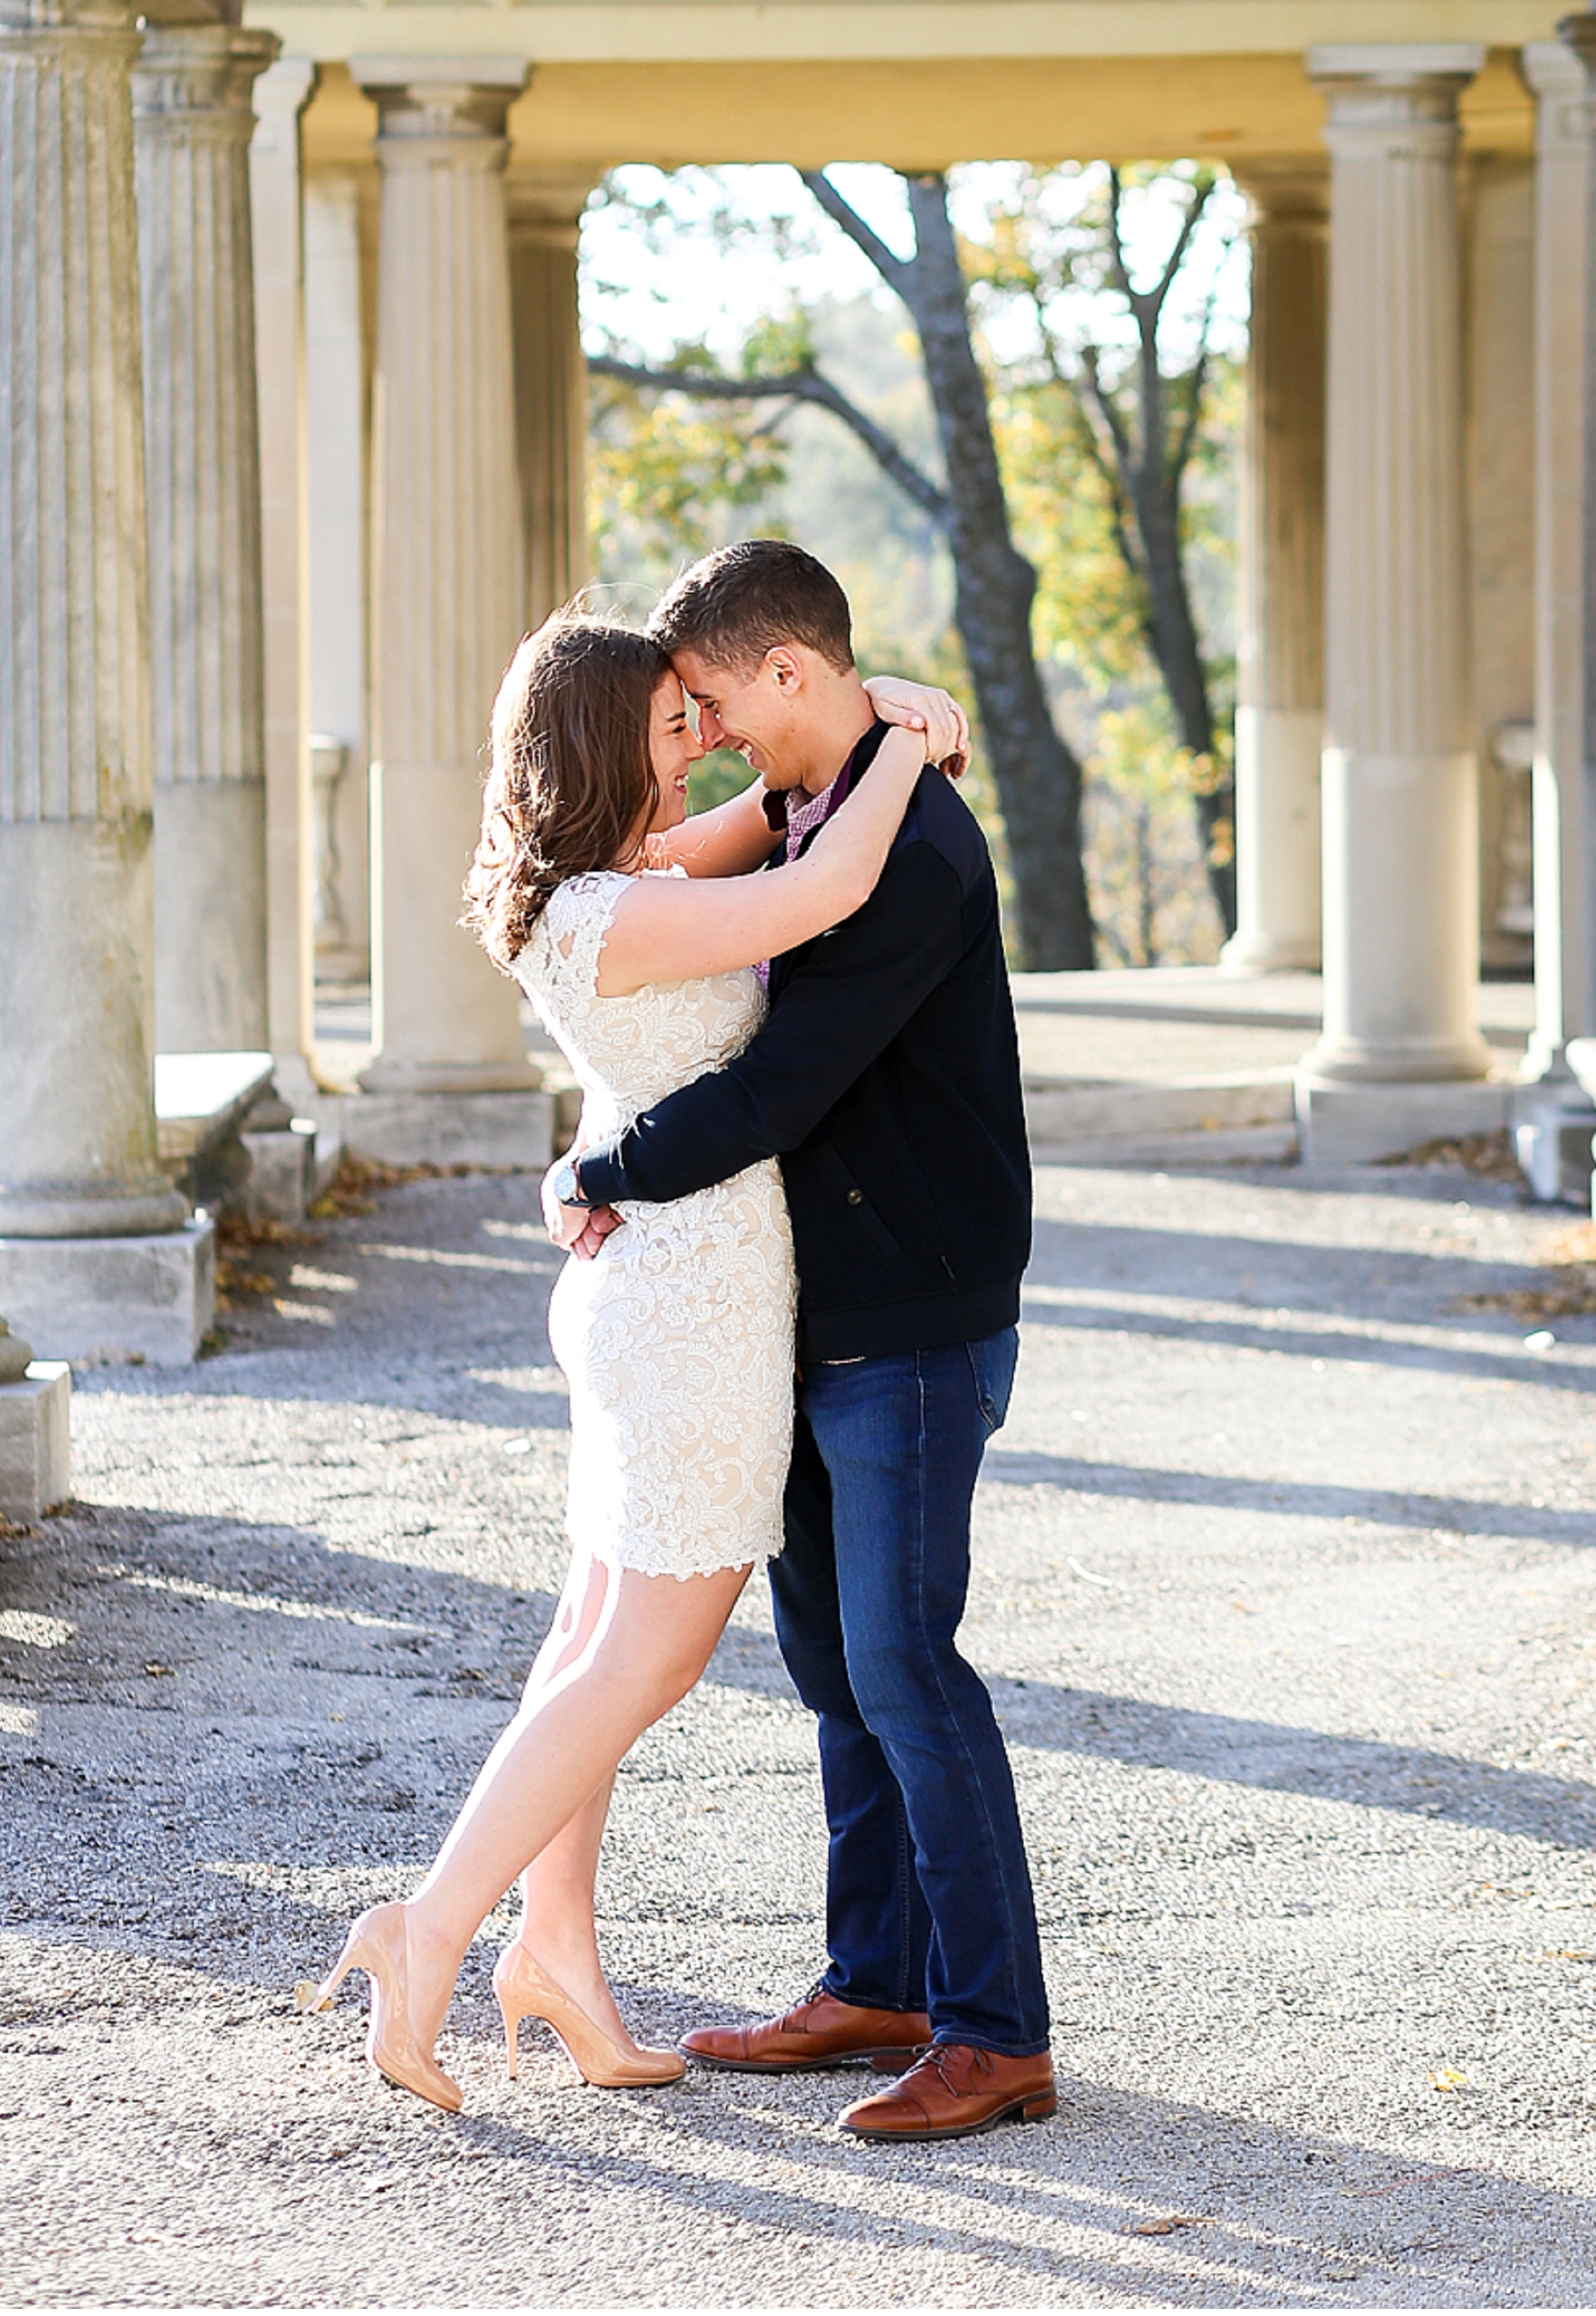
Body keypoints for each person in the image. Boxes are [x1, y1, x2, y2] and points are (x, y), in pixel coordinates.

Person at [310, 607, 965, 2112]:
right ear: (610, 741)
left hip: (663, 1286)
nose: (705, 740)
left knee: (585, 1641)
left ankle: (559, 1957)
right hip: (690, 1306)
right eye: (677, 723)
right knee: (645, 1655)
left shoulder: (602, 881)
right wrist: (913, 748)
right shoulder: (616, 909)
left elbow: (765, 818)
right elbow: (833, 875)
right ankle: (429, 1923)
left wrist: (882, 713)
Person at [543, 539, 1054, 2144]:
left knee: (907, 1663)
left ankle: (995, 2030)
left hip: (914, 1319)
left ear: (787, 670)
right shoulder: (825, 805)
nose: (707, 735)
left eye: (715, 702)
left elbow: (789, 1080)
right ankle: (878, 1979)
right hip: (817, 1319)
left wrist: (606, 1167)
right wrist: (898, 722)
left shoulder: (907, 848)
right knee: (837, 1665)